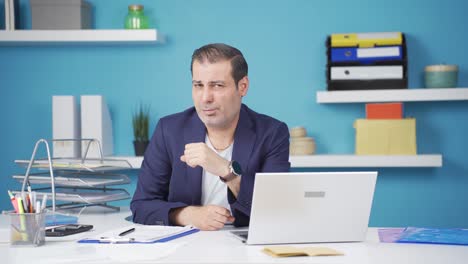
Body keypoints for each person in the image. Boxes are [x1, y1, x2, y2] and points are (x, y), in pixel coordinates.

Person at [131, 43, 290, 231]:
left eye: (217, 86)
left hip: (246, 244)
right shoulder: (169, 130)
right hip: (185, 246)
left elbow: (275, 209)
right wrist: (187, 214)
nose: (205, 97)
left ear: (243, 87)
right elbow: (141, 205)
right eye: (198, 85)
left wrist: (226, 170)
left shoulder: (272, 133)